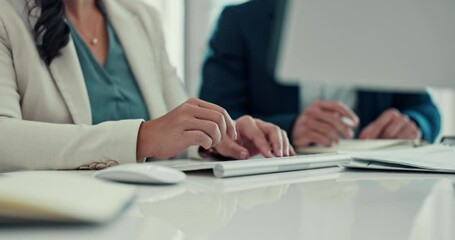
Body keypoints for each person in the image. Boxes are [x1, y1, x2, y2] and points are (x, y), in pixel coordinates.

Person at [0, 0, 295, 172]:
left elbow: (178, 130)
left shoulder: (141, 17)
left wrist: (218, 140)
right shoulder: (7, 15)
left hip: (149, 219)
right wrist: (141, 138)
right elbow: (5, 138)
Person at [200, 0, 441, 148]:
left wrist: (413, 125)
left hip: (372, 189)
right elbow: (215, 119)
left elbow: (426, 109)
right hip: (274, 192)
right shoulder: (240, 22)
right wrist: (291, 129)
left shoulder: (384, 24)